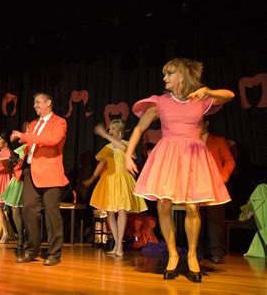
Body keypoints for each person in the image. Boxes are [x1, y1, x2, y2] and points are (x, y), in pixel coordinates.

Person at [124, 58, 234, 283]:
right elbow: (139, 128)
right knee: (163, 204)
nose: (165, 77)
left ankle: (192, 255)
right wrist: (128, 155)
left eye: (170, 73)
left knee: (192, 207)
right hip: (168, 154)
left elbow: (230, 95)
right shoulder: (159, 102)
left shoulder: (200, 99)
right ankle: (173, 254)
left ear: (182, 75)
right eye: (165, 74)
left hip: (193, 155)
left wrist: (208, 91)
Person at [11, 92, 68, 266]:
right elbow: (32, 144)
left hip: (50, 172)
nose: (35, 106)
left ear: (48, 102)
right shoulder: (34, 124)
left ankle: (54, 252)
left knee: (51, 212)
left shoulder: (59, 122)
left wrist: (24, 135)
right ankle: (31, 250)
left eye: (38, 102)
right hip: (31, 172)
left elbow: (51, 140)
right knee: (28, 209)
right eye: (34, 103)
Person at [84, 120, 148, 257]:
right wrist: (92, 179)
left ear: (120, 132)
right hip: (109, 181)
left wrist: (106, 136)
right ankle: (116, 244)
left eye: (113, 129)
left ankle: (120, 246)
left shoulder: (126, 144)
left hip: (122, 179)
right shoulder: (107, 147)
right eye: (109, 129)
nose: (110, 131)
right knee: (110, 212)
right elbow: (101, 165)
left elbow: (125, 151)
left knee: (122, 210)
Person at [199, 116, 235, 264]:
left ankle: (216, 252)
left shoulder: (218, 140)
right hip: (195, 185)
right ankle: (197, 251)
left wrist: (223, 177)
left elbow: (229, 161)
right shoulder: (189, 142)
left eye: (199, 123)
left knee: (215, 219)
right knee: (195, 218)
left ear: (206, 123)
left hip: (214, 185)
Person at [0, 123, 30, 252]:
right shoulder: (21, 148)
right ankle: (21, 238)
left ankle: (29, 237)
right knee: (15, 209)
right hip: (18, 181)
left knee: (28, 211)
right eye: (27, 130)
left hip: (29, 181)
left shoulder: (34, 148)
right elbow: (11, 163)